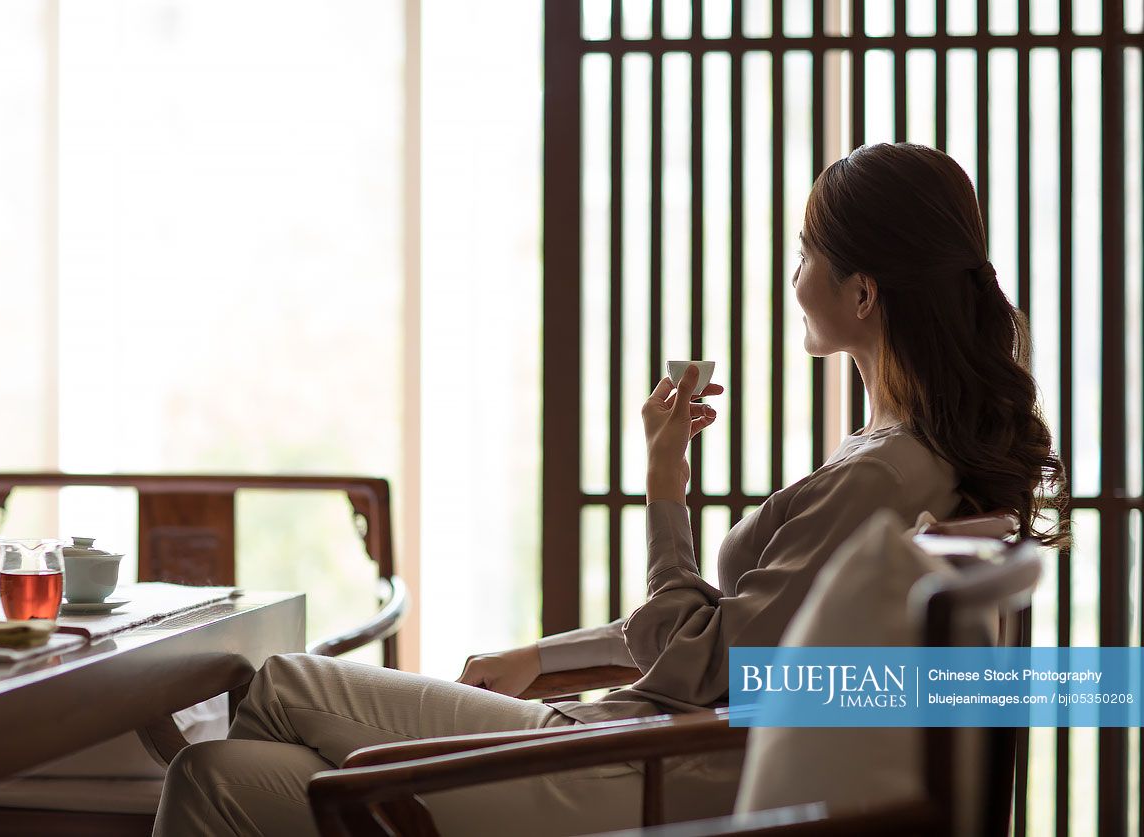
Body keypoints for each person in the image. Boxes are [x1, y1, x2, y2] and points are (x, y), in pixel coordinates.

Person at [152, 143, 1066, 836]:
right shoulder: (913, 461)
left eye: (805, 251)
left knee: (277, 681)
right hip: (646, 748)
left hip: (641, 773)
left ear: (861, 292)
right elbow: (735, 634)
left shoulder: (877, 476)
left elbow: (706, 660)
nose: (794, 277)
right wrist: (548, 658)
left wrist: (664, 486)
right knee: (217, 778)